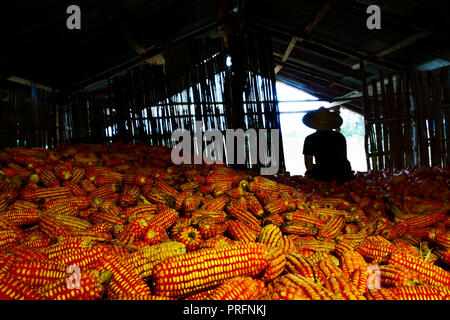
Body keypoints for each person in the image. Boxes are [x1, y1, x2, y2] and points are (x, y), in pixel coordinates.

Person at [302, 107, 355, 184]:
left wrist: (313, 169)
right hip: (344, 174)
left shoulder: (310, 139)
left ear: (315, 124)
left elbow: (308, 165)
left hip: (323, 176)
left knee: (308, 174)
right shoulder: (340, 137)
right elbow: (341, 159)